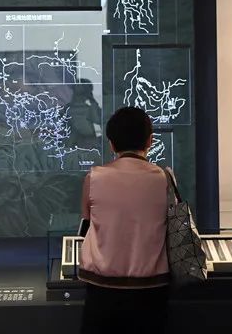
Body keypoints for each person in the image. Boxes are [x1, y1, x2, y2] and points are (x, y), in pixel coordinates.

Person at [78, 106, 170, 334]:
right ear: (150, 141)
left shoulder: (94, 177)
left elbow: (87, 223)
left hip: (102, 288)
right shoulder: (164, 178)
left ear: (111, 143)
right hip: (151, 289)